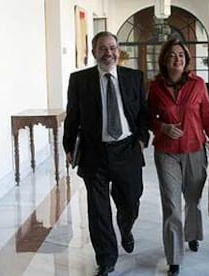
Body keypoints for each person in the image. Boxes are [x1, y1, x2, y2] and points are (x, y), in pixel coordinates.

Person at [63, 31, 149, 276]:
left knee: (131, 199)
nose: (108, 53)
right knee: (98, 210)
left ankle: (126, 225)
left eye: (112, 48)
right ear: (94, 53)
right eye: (103, 48)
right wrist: (69, 147)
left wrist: (142, 140)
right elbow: (73, 115)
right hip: (94, 153)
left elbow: (143, 112)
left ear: (118, 50)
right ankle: (106, 258)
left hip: (127, 149)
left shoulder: (134, 77)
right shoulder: (80, 80)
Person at [147, 38, 209, 276]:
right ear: (164, 61)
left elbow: (208, 116)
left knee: (192, 200)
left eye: (181, 55)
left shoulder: (198, 84)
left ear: (186, 60)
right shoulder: (156, 87)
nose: (177, 59)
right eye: (171, 55)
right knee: (171, 206)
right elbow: (148, 117)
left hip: (195, 150)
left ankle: (192, 236)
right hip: (166, 153)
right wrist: (162, 128)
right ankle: (174, 258)